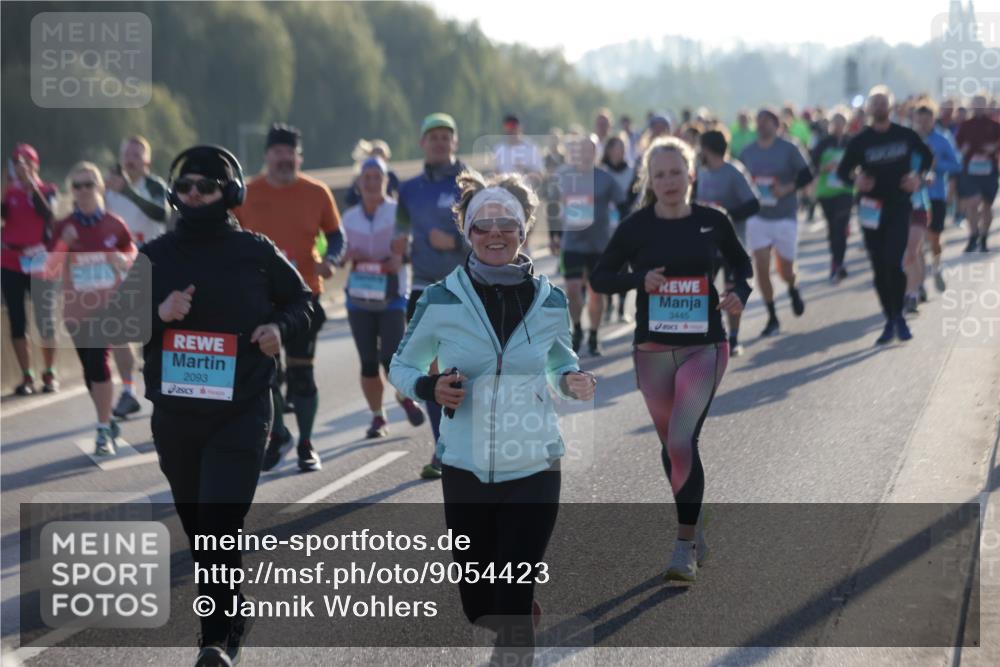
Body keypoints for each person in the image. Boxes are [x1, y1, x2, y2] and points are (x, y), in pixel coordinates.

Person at [389, 169, 595, 664]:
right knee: (480, 605)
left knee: (513, 589)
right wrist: (429, 387)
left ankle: (516, 634)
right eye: (484, 225)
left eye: (507, 224)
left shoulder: (550, 300)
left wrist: (572, 378)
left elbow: (559, 359)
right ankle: (515, 615)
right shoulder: (439, 299)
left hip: (535, 462)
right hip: (465, 464)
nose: (496, 234)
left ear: (523, 231)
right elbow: (402, 365)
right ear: (469, 233)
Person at [131, 145, 312, 666]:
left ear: (227, 194)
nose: (193, 195)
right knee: (200, 531)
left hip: (242, 410)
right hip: (177, 416)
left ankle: (215, 641)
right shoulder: (156, 256)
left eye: (205, 187)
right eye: (185, 187)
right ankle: (232, 613)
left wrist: (279, 327)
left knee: (217, 523)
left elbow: (303, 302)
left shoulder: (256, 251)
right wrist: (160, 312)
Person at [591, 137, 751, 581]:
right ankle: (694, 519)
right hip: (652, 350)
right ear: (650, 180)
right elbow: (602, 278)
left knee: (681, 440)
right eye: (659, 174)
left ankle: (684, 548)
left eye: (676, 173)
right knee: (671, 447)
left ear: (691, 175)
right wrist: (641, 279)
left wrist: (739, 291)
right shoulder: (636, 227)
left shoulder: (713, 221)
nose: (669, 182)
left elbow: (742, 265)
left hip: (706, 345)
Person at [234, 123, 345, 473]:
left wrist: (332, 260)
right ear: (267, 156)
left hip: (304, 296)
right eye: (277, 153)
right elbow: (227, 237)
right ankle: (278, 433)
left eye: (290, 153)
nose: (284, 159)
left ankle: (307, 444)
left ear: (298, 156)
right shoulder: (246, 193)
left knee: (302, 375)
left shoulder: (317, 192)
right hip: (259, 299)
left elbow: (336, 236)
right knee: (266, 374)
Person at [391, 112, 470, 479]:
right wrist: (394, 250)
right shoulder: (408, 190)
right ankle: (442, 448)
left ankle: (470, 439)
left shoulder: (471, 182)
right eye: (433, 136)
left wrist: (455, 242)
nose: (439, 141)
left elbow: (494, 233)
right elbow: (400, 233)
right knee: (432, 371)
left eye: (445, 136)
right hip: (424, 287)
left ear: (454, 142)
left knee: (468, 368)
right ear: (422, 142)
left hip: (466, 287)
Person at [45, 162, 136, 454]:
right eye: (78, 185)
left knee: (99, 362)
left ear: (99, 188)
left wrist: (123, 261)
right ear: (71, 191)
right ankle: (107, 419)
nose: (83, 190)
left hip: (107, 309)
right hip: (76, 311)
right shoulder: (62, 225)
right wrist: (63, 244)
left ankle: (100, 430)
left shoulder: (114, 223)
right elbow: (50, 269)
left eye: (89, 184)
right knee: (90, 371)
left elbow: (130, 253)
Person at [837, 85, 933, 345]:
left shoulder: (905, 134)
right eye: (874, 103)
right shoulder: (860, 141)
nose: (878, 107)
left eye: (883, 103)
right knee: (879, 267)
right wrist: (856, 179)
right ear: (868, 108)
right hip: (871, 209)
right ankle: (890, 317)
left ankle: (899, 315)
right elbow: (842, 172)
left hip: (899, 205)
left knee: (894, 261)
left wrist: (917, 176)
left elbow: (926, 157)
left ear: (890, 107)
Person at [340, 156, 425, 438]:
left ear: (387, 182)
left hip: (393, 295)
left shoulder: (398, 212)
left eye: (378, 177)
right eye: (368, 178)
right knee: (367, 361)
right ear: (358, 183)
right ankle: (378, 417)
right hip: (359, 296)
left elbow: (415, 247)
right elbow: (337, 252)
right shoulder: (349, 217)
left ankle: (403, 396)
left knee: (391, 358)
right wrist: (347, 255)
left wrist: (400, 257)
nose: (373, 183)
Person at [104, 135, 170, 419]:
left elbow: (162, 213)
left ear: (147, 161)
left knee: (151, 334)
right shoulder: (108, 188)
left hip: (151, 266)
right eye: (126, 153)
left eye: (136, 154)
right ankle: (129, 391)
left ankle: (160, 392)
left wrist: (129, 192)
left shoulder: (155, 186)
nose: (130, 158)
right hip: (117, 269)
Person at [739, 108, 813, 337]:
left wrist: (786, 189)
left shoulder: (789, 147)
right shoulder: (747, 152)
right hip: (758, 217)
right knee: (761, 266)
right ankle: (772, 316)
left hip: (784, 215)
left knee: (786, 270)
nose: (760, 125)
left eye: (765, 121)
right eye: (758, 121)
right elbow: (740, 179)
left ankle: (792, 286)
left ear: (775, 123)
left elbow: (806, 175)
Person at [550, 136, 626, 356]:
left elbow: (622, 205)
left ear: (594, 153)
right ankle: (577, 329)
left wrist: (622, 232)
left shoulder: (605, 178)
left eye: (588, 150)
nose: (583, 154)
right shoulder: (564, 177)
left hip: (599, 245)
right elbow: (554, 207)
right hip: (572, 243)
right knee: (573, 290)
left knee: (596, 292)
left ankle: (593, 334)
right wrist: (554, 235)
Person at [1, 143, 60, 395]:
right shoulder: (9, 193)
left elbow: (49, 215)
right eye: (17, 162)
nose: (21, 167)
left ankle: (49, 373)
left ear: (36, 165)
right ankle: (27, 376)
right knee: (17, 320)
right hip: (11, 260)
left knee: (45, 319)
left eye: (26, 162)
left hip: (39, 260)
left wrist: (31, 186)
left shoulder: (48, 189)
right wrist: (6, 187)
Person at [695, 129, 760, 356]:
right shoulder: (700, 173)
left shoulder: (733, 171)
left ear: (708, 149)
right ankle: (705, 335)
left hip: (732, 244)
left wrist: (725, 214)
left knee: (732, 293)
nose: (697, 152)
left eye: (700, 147)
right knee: (701, 292)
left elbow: (754, 204)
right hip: (706, 246)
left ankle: (733, 338)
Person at [914, 102, 963, 294]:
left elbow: (957, 166)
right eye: (920, 120)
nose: (923, 124)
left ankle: (936, 267)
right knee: (917, 241)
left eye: (927, 120)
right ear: (915, 120)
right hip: (915, 198)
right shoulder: (909, 140)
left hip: (936, 196)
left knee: (933, 239)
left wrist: (937, 164)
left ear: (933, 119)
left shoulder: (943, 140)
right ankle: (919, 282)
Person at [810, 109, 855, 283]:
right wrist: (825, 168)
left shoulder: (851, 142)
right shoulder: (823, 143)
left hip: (845, 190)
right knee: (832, 229)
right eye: (835, 122)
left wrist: (851, 171)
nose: (838, 125)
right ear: (830, 124)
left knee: (840, 227)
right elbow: (812, 166)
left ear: (846, 123)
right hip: (826, 192)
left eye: (841, 121)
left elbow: (859, 164)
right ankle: (837, 261)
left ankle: (838, 263)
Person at [955, 93, 1000, 252]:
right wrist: (963, 149)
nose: (979, 106)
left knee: (987, 206)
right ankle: (973, 235)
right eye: (976, 103)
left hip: (989, 170)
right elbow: (957, 145)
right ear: (972, 105)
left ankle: (984, 238)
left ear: (986, 105)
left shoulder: (994, 125)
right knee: (972, 203)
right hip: (970, 170)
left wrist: (994, 148)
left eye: (982, 103)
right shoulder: (965, 125)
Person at [601, 136, 638, 323]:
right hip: (605, 224)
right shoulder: (601, 171)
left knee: (624, 266)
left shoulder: (632, 171)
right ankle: (608, 304)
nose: (619, 151)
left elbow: (634, 195)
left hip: (625, 222)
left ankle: (623, 308)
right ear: (608, 150)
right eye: (616, 148)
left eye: (622, 148)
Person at [345, 139, 400, 208]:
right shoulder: (361, 177)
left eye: (381, 157)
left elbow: (400, 192)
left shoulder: (390, 175)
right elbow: (350, 199)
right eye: (375, 156)